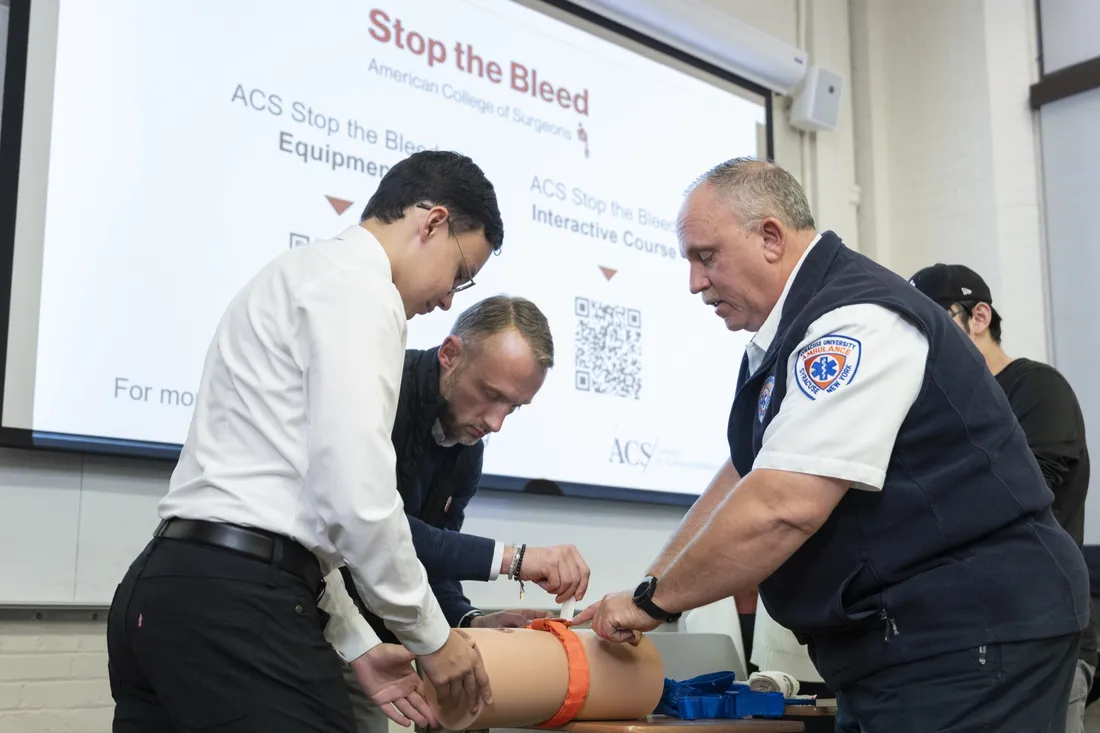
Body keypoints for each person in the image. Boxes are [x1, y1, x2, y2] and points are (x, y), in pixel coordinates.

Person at [575, 157, 1091, 732]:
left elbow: (781, 504)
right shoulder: (793, 332)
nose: (695, 282)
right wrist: (648, 587)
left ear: (770, 237)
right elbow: (744, 477)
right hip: (903, 645)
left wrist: (652, 604)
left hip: (970, 632)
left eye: (705, 255)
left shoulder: (857, 320)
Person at [107, 150, 504, 733]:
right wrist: (433, 639)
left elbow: (294, 520)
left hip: (163, 592)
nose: (449, 298)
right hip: (239, 612)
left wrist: (359, 645)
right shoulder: (364, 292)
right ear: (432, 222)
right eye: (461, 272)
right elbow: (357, 501)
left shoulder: (297, 274)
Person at [331, 294, 592, 732]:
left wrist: (471, 620)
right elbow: (377, 526)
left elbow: (431, 560)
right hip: (315, 622)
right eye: (490, 395)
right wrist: (517, 559)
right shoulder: (380, 394)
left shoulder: (466, 449)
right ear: (450, 355)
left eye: (513, 407)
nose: (496, 422)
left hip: (374, 642)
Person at [910, 263, 1097, 733]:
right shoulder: (934, 405)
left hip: (1040, 638)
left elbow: (1020, 498)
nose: (921, 340)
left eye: (934, 321)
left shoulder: (1037, 388)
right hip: (964, 646)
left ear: (979, 316)